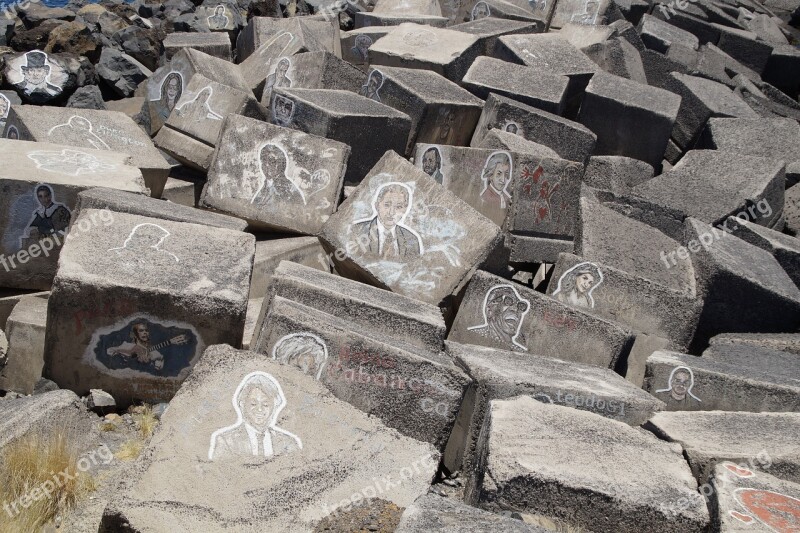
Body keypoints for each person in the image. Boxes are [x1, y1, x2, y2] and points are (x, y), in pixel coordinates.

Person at [208, 372, 303, 461]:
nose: (260, 409)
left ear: (274, 407)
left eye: (265, 404)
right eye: (253, 404)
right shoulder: (226, 442)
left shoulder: (288, 444)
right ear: (242, 404)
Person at [351, 181, 423, 259]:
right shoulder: (357, 231)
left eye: (398, 207)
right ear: (377, 205)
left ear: (405, 210)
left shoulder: (412, 239)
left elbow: (412, 268)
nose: (391, 212)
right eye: (387, 205)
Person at [467, 284, 530, 351]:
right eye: (508, 302)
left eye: (521, 308)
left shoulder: (519, 353)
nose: (515, 310)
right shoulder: (470, 335)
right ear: (491, 310)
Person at [106, 321, 187, 371]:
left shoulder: (155, 353)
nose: (145, 333)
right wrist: (126, 351)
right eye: (141, 330)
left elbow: (158, 370)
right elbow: (109, 351)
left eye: (146, 330)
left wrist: (150, 363)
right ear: (135, 334)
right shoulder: (126, 345)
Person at [108, 223, 180, 265]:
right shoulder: (115, 253)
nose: (156, 241)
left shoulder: (163, 256)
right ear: (137, 236)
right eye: (150, 237)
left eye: (159, 238)